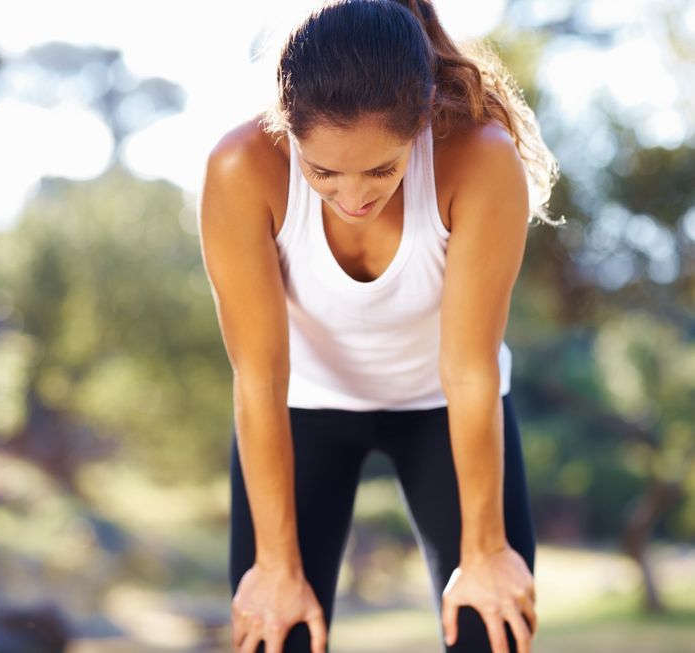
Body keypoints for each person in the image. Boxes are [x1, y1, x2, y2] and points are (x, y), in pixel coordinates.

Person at [197, 1, 563, 652]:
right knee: (275, 628)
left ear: (422, 120)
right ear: (288, 127)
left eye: (382, 169)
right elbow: (258, 376)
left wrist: (485, 550)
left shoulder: (479, 158)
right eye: (323, 172)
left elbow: (470, 368)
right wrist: (276, 565)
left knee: (493, 624)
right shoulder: (240, 167)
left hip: (444, 405)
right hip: (299, 408)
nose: (354, 197)